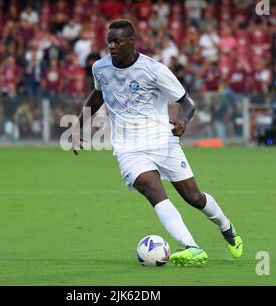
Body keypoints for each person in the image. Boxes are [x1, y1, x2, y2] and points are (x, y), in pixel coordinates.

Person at [71, 19, 242, 266]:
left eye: (116, 40)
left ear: (132, 41)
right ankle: (192, 247)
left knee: (193, 197)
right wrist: (78, 127)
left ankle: (226, 227)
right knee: (153, 190)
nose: (111, 45)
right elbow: (97, 95)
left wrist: (183, 120)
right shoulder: (100, 68)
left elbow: (187, 102)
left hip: (163, 142)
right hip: (128, 148)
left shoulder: (155, 70)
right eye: (109, 40)